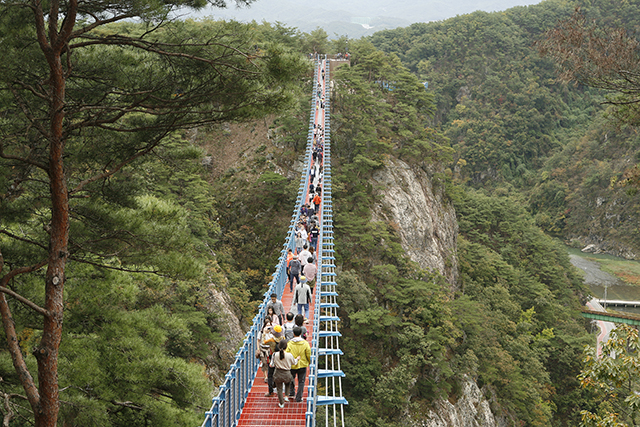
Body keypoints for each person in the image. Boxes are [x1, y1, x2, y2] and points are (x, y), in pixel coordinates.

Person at [287, 327, 311, 402]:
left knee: (291, 379)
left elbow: (287, 353)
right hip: (302, 364)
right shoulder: (305, 343)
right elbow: (308, 353)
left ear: (293, 333)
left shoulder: (290, 343)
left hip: (292, 364)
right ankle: (299, 397)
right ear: (301, 334)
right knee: (301, 381)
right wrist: (309, 361)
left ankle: (292, 392)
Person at [272, 339, 299, 408]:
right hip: (287, 373)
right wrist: (297, 359)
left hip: (277, 373)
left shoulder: (275, 354)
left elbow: (272, 364)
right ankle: (286, 396)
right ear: (286, 347)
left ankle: (281, 403)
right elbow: (294, 363)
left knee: (279, 389)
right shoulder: (289, 355)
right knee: (288, 383)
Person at [264, 325, 285, 397]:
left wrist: (265, 333)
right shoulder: (283, 339)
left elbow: (264, 342)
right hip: (280, 358)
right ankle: (279, 390)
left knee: (270, 375)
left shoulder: (271, 340)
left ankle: (271, 392)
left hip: (272, 359)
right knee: (279, 374)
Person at [257, 318, 273, 382]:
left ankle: (268, 375)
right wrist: (258, 349)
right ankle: (265, 376)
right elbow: (259, 341)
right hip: (262, 348)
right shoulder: (261, 333)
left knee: (268, 362)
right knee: (264, 362)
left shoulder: (272, 333)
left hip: (269, 348)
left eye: (269, 325)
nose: (268, 327)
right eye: (267, 325)